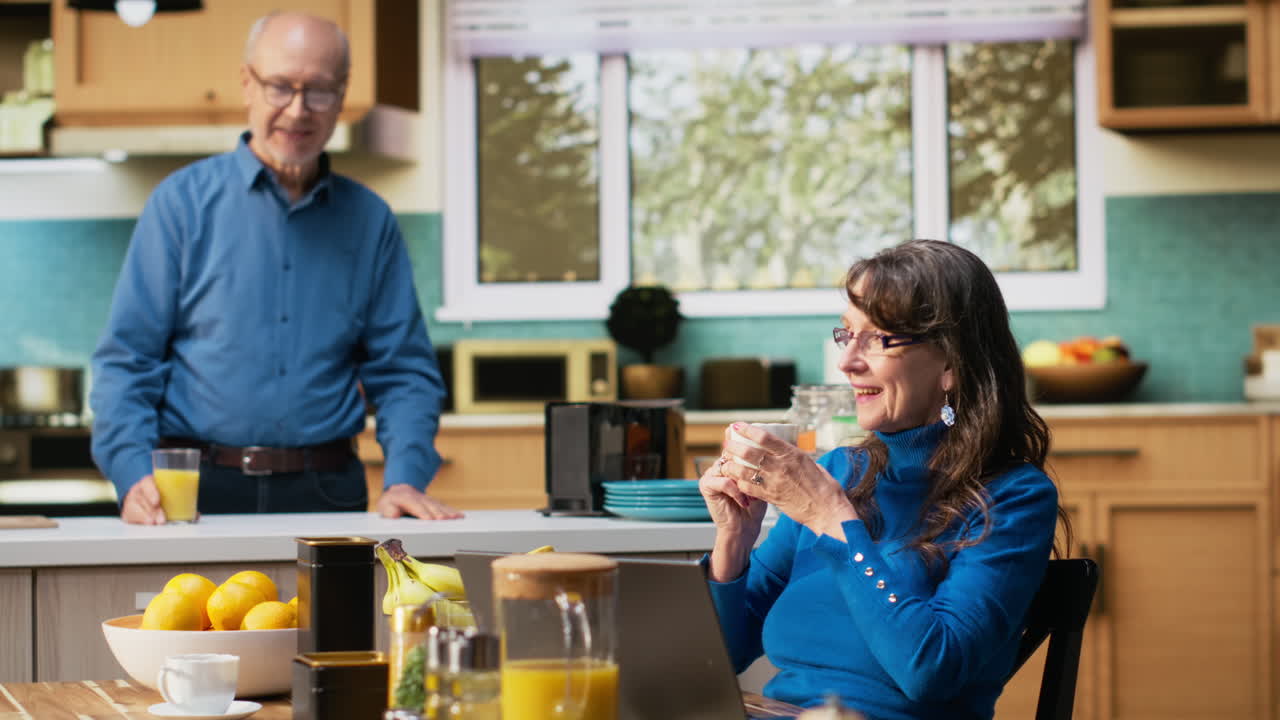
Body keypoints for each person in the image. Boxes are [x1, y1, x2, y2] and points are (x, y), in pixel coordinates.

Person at [90, 12, 461, 525]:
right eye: (280, 87)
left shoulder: (370, 220)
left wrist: (404, 478)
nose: (297, 110)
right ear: (247, 83)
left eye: (319, 91)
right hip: (195, 494)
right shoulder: (179, 205)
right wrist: (132, 474)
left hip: (328, 491)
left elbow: (404, 373)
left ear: (342, 94)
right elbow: (128, 362)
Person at [699, 239, 1067, 720]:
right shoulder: (839, 473)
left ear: (952, 363)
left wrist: (833, 519)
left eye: (879, 338)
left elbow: (931, 669)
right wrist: (734, 540)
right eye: (846, 334)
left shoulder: (1013, 498)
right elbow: (714, 663)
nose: (848, 362)